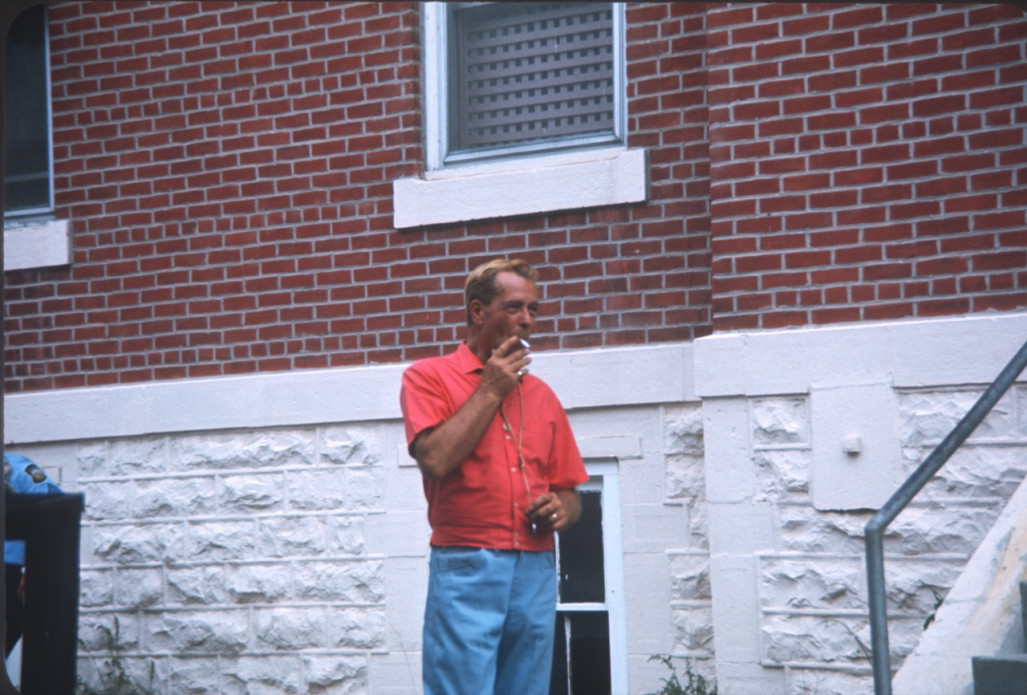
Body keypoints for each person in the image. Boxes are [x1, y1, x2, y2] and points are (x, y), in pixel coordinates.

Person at [400, 258, 589, 695]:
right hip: (467, 561)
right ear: (478, 312)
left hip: (536, 565)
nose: (527, 320)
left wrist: (563, 507)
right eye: (514, 307)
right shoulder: (428, 377)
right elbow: (435, 460)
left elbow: (570, 490)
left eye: (534, 309)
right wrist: (490, 388)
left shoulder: (543, 395)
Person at [4, 453, 63, 657]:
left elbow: (57, 513)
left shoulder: (18, 469)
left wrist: (36, 566)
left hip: (7, 571)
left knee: (11, 623)